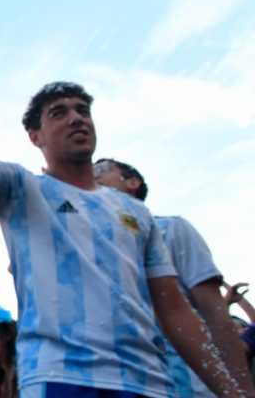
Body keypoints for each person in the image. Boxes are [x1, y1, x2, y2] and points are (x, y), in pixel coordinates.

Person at [0, 17, 245, 397]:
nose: (76, 117)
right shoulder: (23, 190)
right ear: (35, 136)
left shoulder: (138, 215)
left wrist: (233, 391)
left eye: (82, 110)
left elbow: (176, 312)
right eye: (58, 112)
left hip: (149, 383)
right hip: (60, 378)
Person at [94, 158, 255, 396]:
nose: (92, 177)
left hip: (188, 385)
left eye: (101, 172)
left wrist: (243, 390)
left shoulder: (172, 229)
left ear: (132, 183)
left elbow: (214, 313)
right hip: (127, 384)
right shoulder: (93, 248)